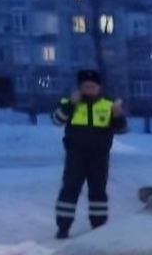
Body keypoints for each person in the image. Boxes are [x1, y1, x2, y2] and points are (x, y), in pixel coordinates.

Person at [52, 70, 128, 239]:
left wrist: (118, 115)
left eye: (92, 86)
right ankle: (63, 227)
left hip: (99, 156)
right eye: (86, 86)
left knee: (98, 192)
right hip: (75, 156)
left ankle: (99, 226)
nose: (89, 89)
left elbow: (122, 129)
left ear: (99, 87)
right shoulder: (68, 101)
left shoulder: (109, 104)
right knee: (69, 191)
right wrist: (70, 104)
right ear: (80, 87)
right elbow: (56, 120)